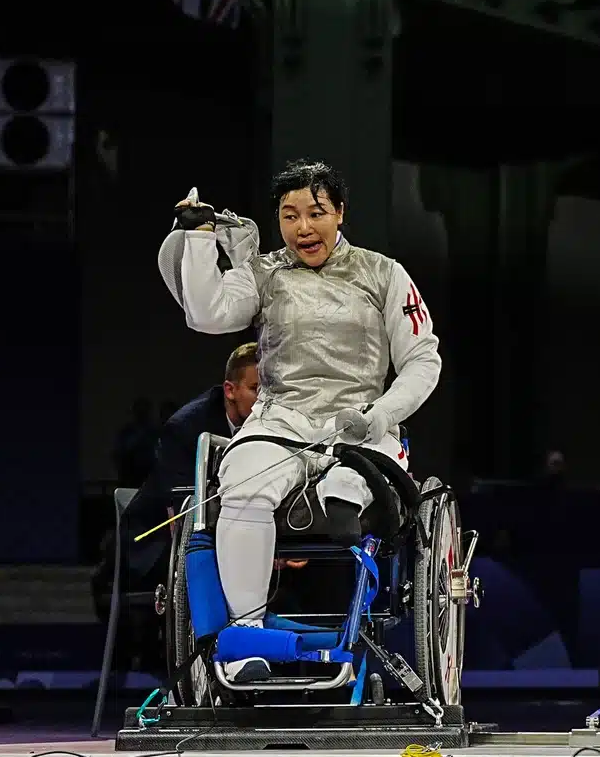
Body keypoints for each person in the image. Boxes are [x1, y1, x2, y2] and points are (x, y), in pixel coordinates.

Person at [158, 160, 442, 684]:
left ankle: (344, 637)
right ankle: (247, 643)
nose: (303, 228)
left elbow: (423, 358)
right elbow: (207, 313)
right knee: (240, 481)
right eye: (289, 216)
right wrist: (197, 239)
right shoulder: (266, 272)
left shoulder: (382, 273)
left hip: (358, 424)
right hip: (282, 418)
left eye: (316, 213)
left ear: (340, 214)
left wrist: (379, 413)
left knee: (340, 504)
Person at [122, 342, 261, 582]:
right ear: (230, 390)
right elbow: (184, 504)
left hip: (229, 534)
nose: (264, 399)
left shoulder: (269, 424)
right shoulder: (186, 427)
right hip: (158, 542)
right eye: (256, 388)